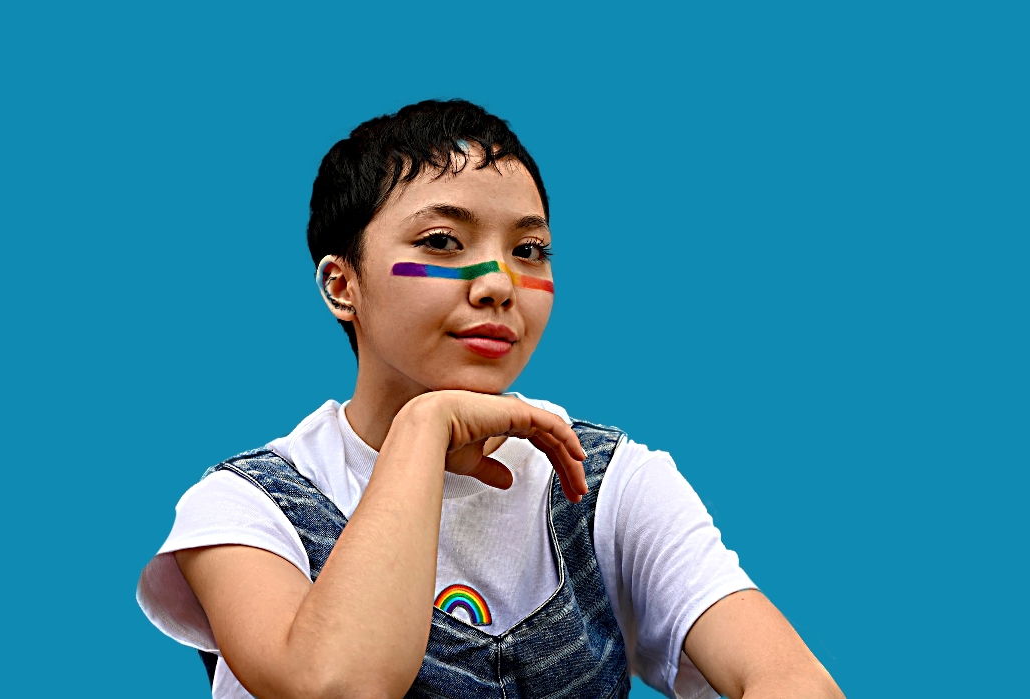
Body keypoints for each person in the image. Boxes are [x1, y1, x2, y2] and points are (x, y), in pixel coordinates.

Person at [136, 99, 844, 699]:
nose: (498, 282)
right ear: (339, 285)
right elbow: (339, 684)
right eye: (442, 241)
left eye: (529, 250)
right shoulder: (245, 506)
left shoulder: (608, 480)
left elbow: (794, 681)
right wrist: (422, 429)